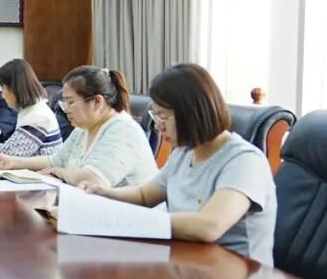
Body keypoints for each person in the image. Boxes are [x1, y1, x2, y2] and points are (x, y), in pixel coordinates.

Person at [82, 64, 276, 265]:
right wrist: (104, 193)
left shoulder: (244, 161)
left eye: (163, 116)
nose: (158, 125)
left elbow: (209, 226)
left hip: (236, 273)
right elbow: (144, 195)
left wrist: (133, 221)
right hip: (189, 264)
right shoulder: (184, 153)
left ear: (191, 113)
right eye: (155, 115)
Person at [0, 65, 157, 187]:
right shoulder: (84, 128)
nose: (65, 109)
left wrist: (59, 172)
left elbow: (94, 180)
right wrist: (12, 162)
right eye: (64, 102)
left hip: (130, 220)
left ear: (96, 102)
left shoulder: (122, 129)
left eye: (70, 102)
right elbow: (55, 160)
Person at [0, 59, 62, 157]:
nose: (2, 95)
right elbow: (11, 147)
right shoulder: (31, 111)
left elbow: (13, 154)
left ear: (15, 89)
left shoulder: (38, 116)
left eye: (4, 88)